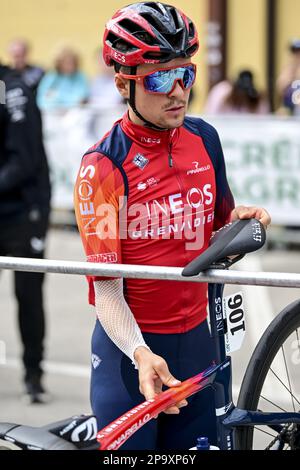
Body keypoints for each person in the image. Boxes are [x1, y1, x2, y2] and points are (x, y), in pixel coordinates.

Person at [74, 2, 271, 450]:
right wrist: (142, 354)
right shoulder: (102, 167)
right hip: (131, 357)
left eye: (186, 74)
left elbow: (219, 237)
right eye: (160, 78)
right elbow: (106, 290)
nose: (178, 91)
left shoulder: (205, 138)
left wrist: (239, 227)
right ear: (124, 82)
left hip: (198, 342)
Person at [0, 63, 51, 403]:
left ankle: (33, 373)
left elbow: (25, 160)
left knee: (28, 295)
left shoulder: (13, 90)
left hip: (23, 212)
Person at [37, 47, 89, 111]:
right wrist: (70, 100)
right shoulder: (51, 77)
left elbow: (82, 97)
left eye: (72, 62)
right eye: (66, 62)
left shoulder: (80, 76)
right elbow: (43, 100)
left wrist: (57, 97)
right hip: (53, 112)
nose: (69, 65)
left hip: (74, 112)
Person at [205, 70, 269, 114]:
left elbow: (263, 115)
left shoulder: (255, 97)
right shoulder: (222, 91)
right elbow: (211, 112)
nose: (242, 96)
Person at [276, 39, 300, 115]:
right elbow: (280, 87)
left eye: (299, 51)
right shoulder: (287, 69)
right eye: (294, 51)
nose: (297, 54)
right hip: (290, 107)